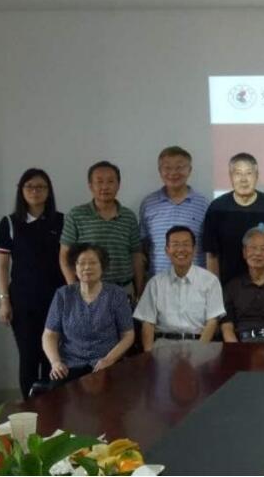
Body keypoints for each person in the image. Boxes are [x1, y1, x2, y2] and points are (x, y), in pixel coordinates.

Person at [0, 169, 66, 398]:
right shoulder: (10, 223)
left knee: (52, 356)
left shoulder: (61, 221)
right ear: (21, 191)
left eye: (41, 187)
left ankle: (52, 408)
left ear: (49, 191)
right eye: (30, 186)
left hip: (56, 299)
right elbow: (2, 267)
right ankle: (29, 407)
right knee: (28, 356)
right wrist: (4, 301)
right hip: (23, 301)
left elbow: (67, 261)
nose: (35, 191)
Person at [42, 244, 135, 386]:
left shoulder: (116, 294)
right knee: (58, 394)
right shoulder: (63, 295)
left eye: (92, 263)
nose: (87, 267)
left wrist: (109, 360)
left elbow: (128, 335)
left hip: (107, 364)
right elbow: (49, 334)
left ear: (102, 266)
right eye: (81, 263)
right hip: (70, 364)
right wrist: (55, 362)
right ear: (75, 268)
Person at [203, 153, 264, 285]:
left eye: (249, 173)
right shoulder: (217, 208)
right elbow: (212, 255)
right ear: (230, 176)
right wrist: (215, 289)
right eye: (238, 173)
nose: (243, 179)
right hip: (229, 288)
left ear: (257, 176)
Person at [60, 161, 144, 299]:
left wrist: (140, 291)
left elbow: (136, 255)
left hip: (124, 290)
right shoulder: (76, 215)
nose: (105, 186)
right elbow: (65, 256)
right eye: (99, 182)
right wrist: (74, 288)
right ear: (90, 186)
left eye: (110, 181)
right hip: (88, 291)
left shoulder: (129, 216)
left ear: (118, 185)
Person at [133, 226, 225, 350]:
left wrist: (199, 351)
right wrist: (149, 355)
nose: (181, 249)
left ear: (194, 249)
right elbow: (147, 323)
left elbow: (212, 321)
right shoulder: (155, 283)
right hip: (163, 346)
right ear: (167, 250)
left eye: (186, 244)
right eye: (175, 245)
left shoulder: (210, 281)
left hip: (199, 345)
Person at [139, 146, 209, 277]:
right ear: (160, 171)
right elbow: (143, 246)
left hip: (196, 281)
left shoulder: (203, 204)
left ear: (189, 170)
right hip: (159, 281)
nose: (173, 172)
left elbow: (209, 249)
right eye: (167, 168)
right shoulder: (148, 204)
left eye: (179, 167)